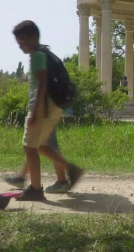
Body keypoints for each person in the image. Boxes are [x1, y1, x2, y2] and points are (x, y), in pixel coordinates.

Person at [12, 20, 83, 201]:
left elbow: (42, 85)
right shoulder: (44, 53)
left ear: (34, 37)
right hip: (53, 105)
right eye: (19, 44)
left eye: (23, 42)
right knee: (41, 145)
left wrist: (36, 112)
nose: (21, 47)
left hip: (43, 106)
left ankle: (36, 189)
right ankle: (71, 170)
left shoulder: (37, 56)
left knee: (29, 147)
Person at [4, 109, 74, 194]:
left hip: (44, 110)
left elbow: (41, 95)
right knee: (33, 145)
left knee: (39, 145)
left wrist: (36, 110)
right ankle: (22, 178)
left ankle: (64, 178)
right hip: (46, 110)